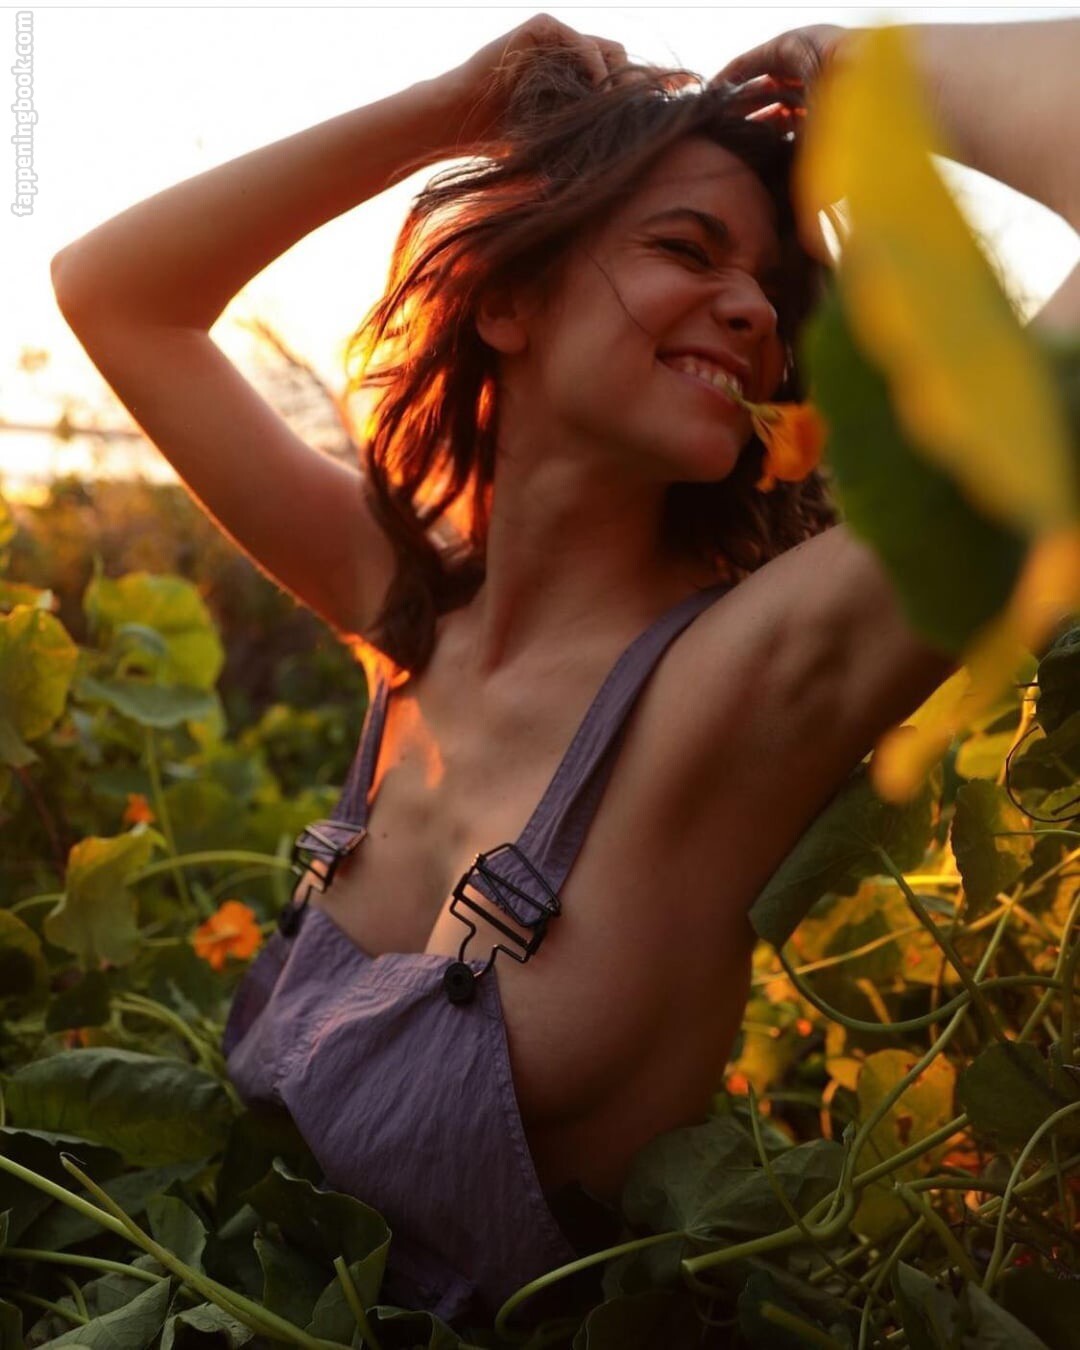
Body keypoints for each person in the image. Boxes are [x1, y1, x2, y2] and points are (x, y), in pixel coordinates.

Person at [50, 13, 1078, 1327]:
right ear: (508, 300)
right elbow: (115, 294)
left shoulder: (742, 678)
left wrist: (868, 80)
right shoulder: (405, 605)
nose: (754, 309)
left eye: (771, 288)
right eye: (686, 249)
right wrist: (453, 105)